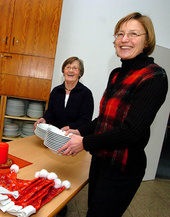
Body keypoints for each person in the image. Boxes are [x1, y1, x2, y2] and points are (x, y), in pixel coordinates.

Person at [58, 12, 168, 217]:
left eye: (133, 33)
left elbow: (132, 131)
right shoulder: (116, 74)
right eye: (120, 34)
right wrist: (79, 130)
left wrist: (84, 142)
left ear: (147, 41)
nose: (124, 39)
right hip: (101, 159)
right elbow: (106, 119)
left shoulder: (155, 76)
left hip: (124, 167)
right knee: (94, 210)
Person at [34, 57, 94, 131]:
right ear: (63, 71)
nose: (70, 70)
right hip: (55, 135)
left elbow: (85, 120)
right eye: (68, 67)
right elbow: (50, 113)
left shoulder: (86, 93)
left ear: (80, 73)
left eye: (75, 68)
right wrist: (44, 120)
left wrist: (69, 127)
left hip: (74, 137)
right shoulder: (56, 91)